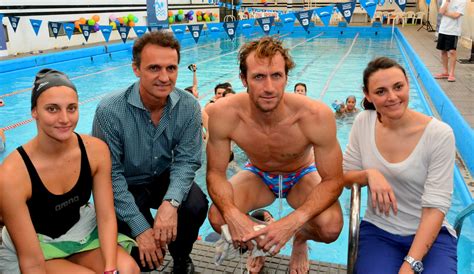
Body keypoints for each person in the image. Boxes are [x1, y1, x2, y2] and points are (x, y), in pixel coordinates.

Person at [206, 36, 344, 273]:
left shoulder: (315, 115)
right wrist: (234, 215)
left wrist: (291, 224)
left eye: (276, 76)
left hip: (301, 174)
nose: (269, 87)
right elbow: (215, 174)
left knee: (330, 227)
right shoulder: (223, 114)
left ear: (286, 77)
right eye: (259, 77)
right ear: (243, 79)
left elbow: (333, 181)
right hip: (258, 174)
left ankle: (301, 238)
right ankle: (258, 246)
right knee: (218, 217)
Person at [0, 68, 139, 274]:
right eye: (52, 109)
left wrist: (110, 270)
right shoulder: (12, 174)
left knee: (126, 269)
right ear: (34, 111)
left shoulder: (95, 150)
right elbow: (30, 261)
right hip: (37, 245)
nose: (65, 119)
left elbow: (106, 216)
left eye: (71, 108)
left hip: (80, 231)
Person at [92, 30, 208, 273]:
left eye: (171, 68)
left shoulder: (188, 106)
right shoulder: (110, 111)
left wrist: (170, 203)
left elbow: (188, 161)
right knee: (142, 261)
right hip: (126, 184)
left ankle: (180, 257)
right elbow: (109, 176)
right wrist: (142, 229)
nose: (164, 77)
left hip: (162, 177)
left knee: (195, 205)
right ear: (136, 69)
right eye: (154, 68)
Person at [343, 57, 457, 274]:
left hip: (430, 235)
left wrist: (410, 265)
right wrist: (369, 174)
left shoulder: (439, 134)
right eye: (381, 91)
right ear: (367, 95)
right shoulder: (363, 122)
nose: (392, 97)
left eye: (398, 87)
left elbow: (436, 207)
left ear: (407, 84)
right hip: (379, 231)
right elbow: (345, 177)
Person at [434, 0, 467, 82]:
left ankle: (451, 73)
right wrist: (447, 2)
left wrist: (445, 13)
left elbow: (456, 15)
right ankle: (445, 72)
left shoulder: (462, 1)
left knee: (452, 52)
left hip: (453, 31)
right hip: (443, 29)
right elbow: (440, 11)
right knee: (443, 51)